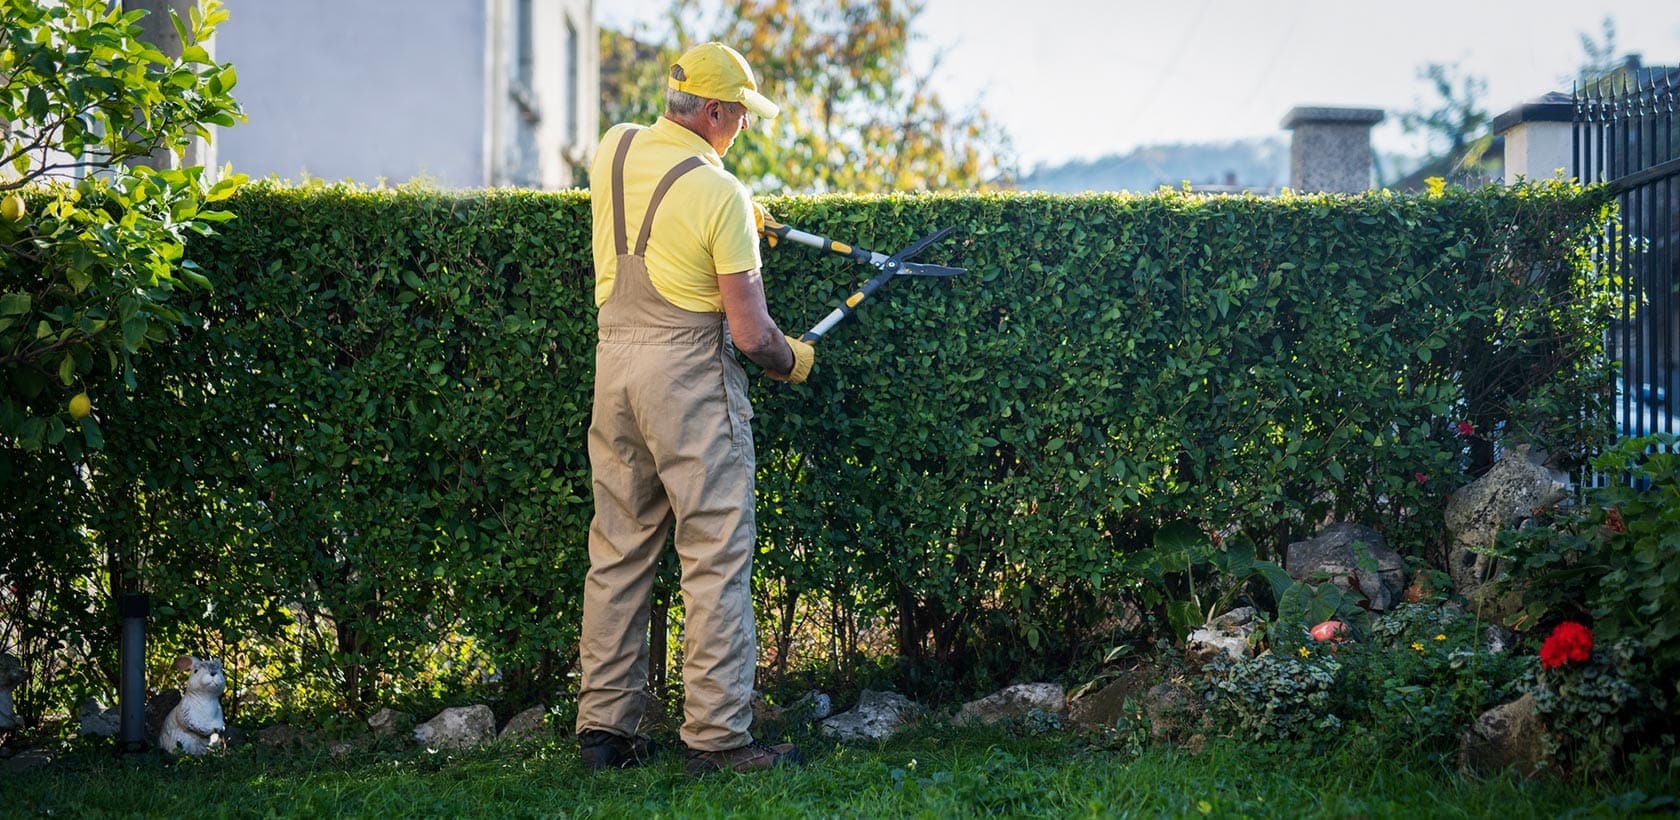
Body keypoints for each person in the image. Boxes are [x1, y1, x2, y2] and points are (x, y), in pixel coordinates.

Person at [575, 41, 813, 776]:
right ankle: (717, 740)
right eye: (740, 114)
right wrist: (793, 360)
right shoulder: (722, 196)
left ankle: (604, 735)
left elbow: (666, 196)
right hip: (686, 378)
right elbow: (751, 335)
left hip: (614, 368)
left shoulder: (613, 150)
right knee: (713, 552)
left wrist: (740, 212)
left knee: (617, 546)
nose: (744, 125)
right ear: (712, 111)